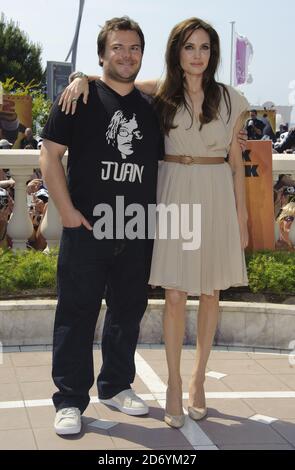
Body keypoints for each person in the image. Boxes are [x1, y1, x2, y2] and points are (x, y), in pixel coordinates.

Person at [59, 17, 249, 430]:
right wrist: (77, 76)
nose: (197, 55)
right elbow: (113, 77)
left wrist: (243, 218)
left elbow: (237, 163)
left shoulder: (232, 99)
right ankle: (171, 384)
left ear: (212, 53)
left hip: (213, 194)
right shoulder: (161, 93)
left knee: (208, 292)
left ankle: (195, 381)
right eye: (189, 47)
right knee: (175, 294)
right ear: (176, 52)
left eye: (204, 47)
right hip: (175, 193)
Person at [39, 17, 162, 436]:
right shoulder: (78, 99)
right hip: (87, 227)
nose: (126, 56)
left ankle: (116, 385)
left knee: (128, 310)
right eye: (117, 47)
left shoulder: (152, 108)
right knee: (76, 312)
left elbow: (189, 90)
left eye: (134, 48)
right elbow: (49, 156)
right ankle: (70, 399)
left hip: (136, 227)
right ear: (102, 53)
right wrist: (68, 211)